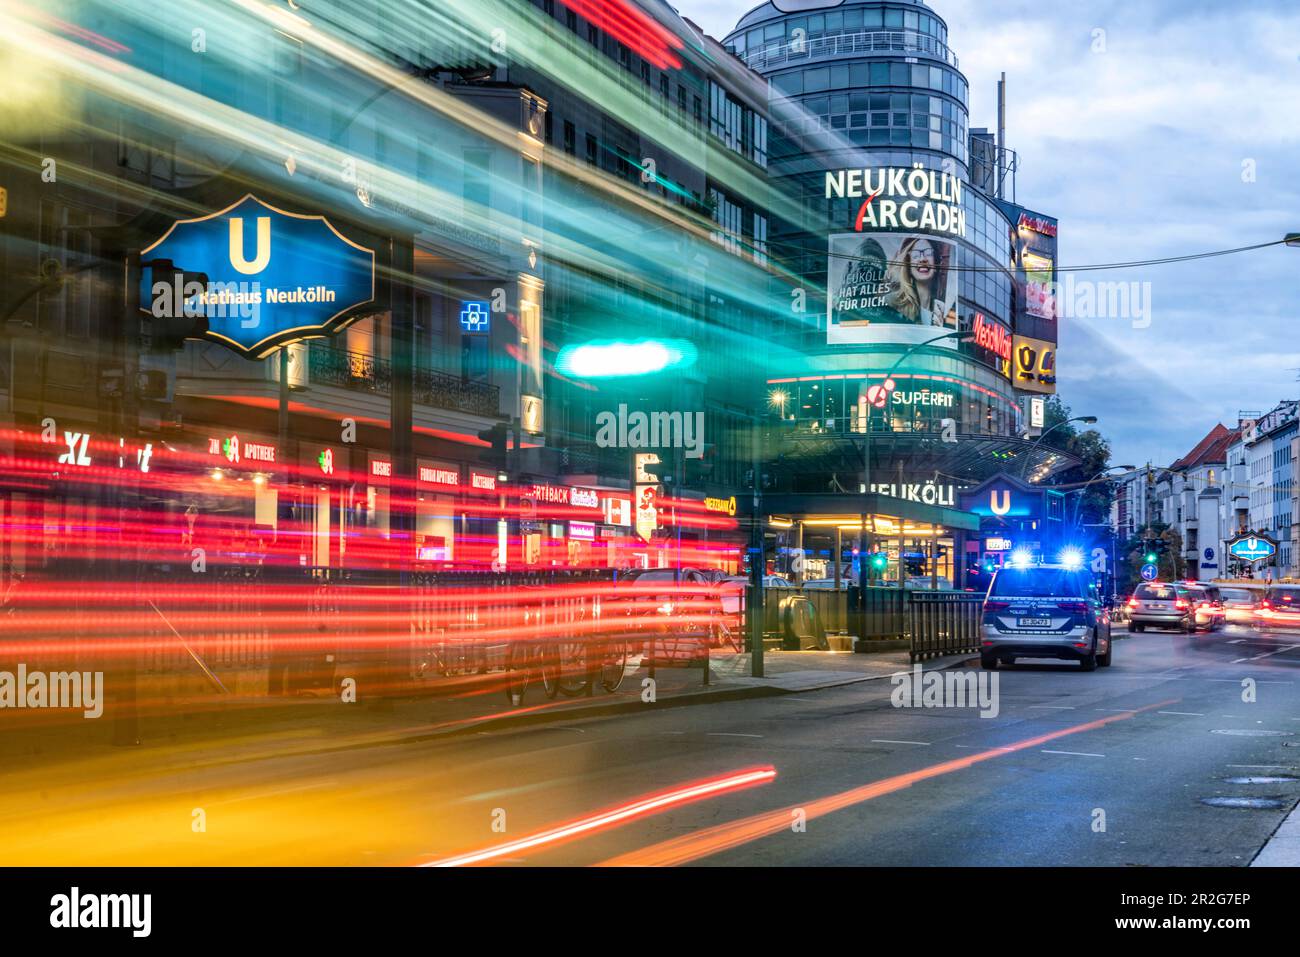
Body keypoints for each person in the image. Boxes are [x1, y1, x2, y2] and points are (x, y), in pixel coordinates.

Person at [884, 236, 953, 326]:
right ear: (908, 266)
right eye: (915, 255)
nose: (922, 259)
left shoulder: (944, 311)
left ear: (936, 263)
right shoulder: (893, 302)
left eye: (928, 253)